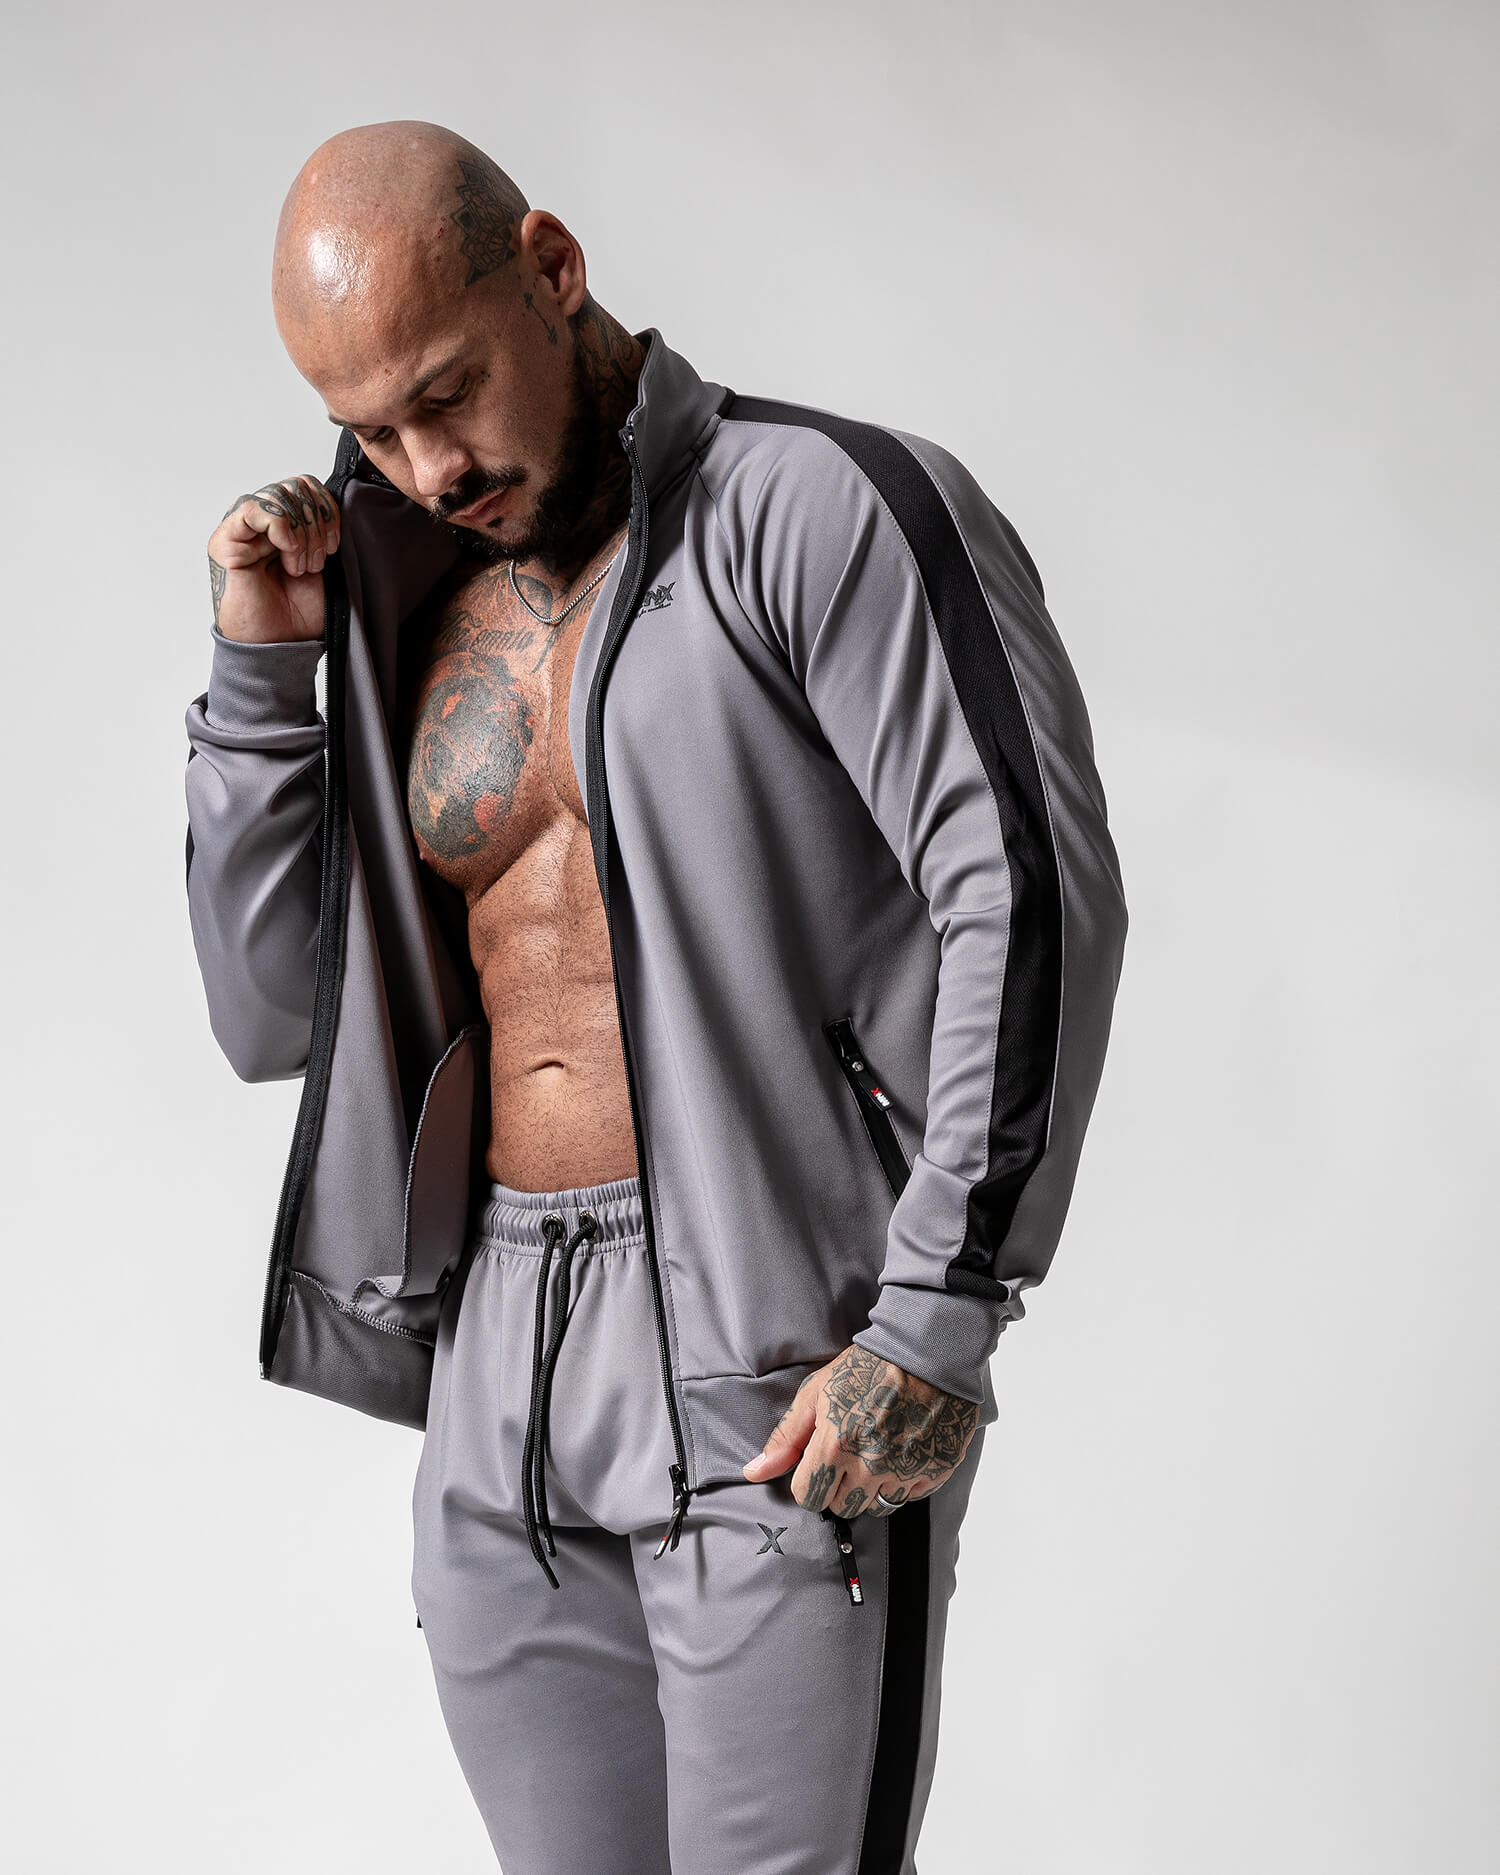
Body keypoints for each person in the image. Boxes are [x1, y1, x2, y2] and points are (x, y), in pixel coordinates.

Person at [184, 117, 1129, 1875]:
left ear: (552, 268)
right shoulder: (407, 592)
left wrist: (936, 1315)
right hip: (499, 1372)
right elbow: (270, 1019)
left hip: (774, 1358)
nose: (425, 465)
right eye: (371, 428)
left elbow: (1028, 890)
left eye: (447, 392)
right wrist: (262, 673)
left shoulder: (819, 510)